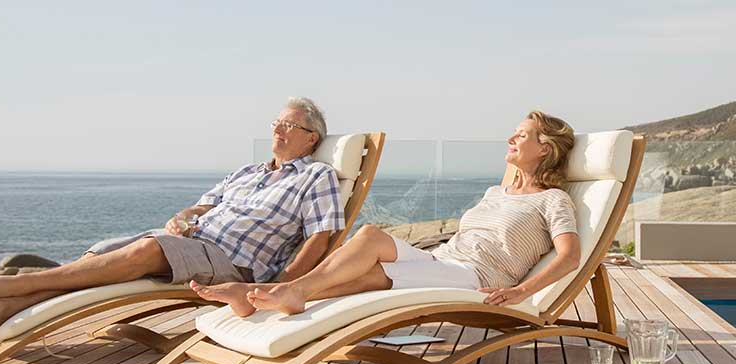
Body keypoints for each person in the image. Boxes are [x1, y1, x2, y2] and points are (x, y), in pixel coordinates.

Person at [0, 97, 346, 337]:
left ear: (311, 138)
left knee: (146, 251)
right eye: (276, 122)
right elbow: (201, 207)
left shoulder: (316, 175)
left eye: (289, 124)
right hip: (193, 241)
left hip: (232, 261)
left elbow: (321, 236)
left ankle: (17, 285)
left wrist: (282, 286)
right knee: (103, 253)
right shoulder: (247, 171)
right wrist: (183, 217)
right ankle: (4, 312)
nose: (278, 129)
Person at [191, 110, 580, 317]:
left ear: (544, 148)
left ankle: (274, 294)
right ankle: (284, 293)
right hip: (442, 260)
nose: (511, 138)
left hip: (477, 278)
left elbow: (570, 257)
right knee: (370, 236)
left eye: (522, 135)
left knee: (373, 276)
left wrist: (521, 291)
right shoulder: (496, 191)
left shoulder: (552, 200)